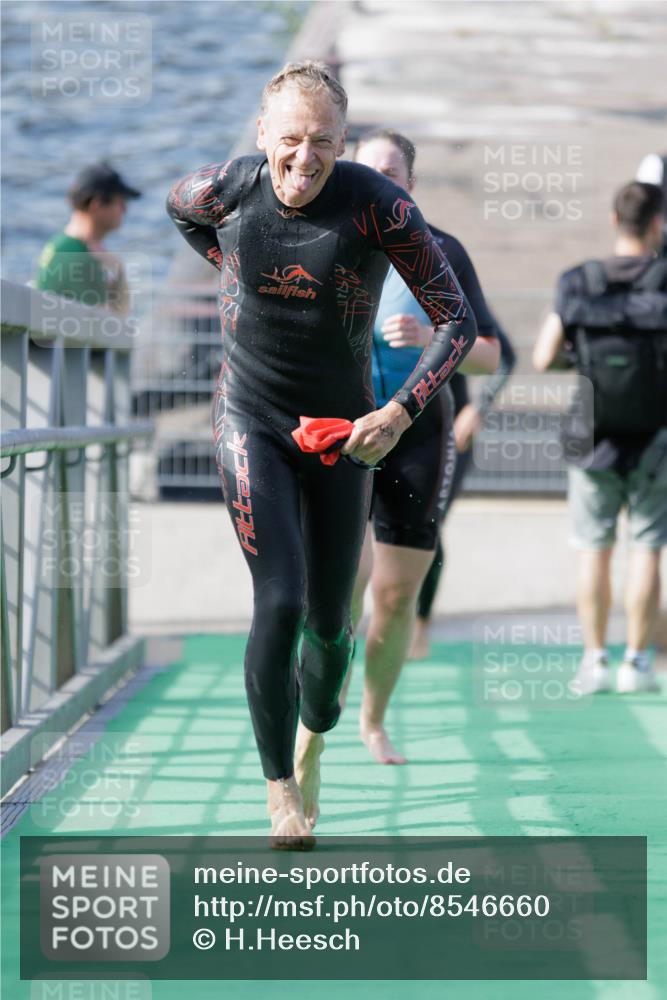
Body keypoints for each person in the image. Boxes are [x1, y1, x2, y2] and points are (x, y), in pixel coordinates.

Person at [166, 61, 478, 849]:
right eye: (292, 141)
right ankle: (278, 792)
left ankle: (316, 739)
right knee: (280, 600)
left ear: (343, 143)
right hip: (250, 417)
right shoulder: (225, 189)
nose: (306, 160)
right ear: (263, 133)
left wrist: (399, 411)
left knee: (332, 629)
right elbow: (181, 212)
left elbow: (456, 320)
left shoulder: (377, 206)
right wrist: (228, 265)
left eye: (325, 145)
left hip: (344, 431)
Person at [340, 128, 501, 764]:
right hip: (342, 434)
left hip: (417, 433)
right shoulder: (330, 243)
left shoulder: (443, 253)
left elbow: (488, 355)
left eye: (391, 174)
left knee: (396, 592)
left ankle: (373, 721)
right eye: (367, 172)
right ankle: (321, 697)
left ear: (410, 185)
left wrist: (439, 334)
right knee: (342, 584)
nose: (379, 183)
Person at [533, 180, 667, 695]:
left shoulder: (577, 280)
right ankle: (637, 663)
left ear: (615, 221)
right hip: (656, 438)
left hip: (590, 436)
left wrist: (583, 358)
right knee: (649, 548)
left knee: (594, 549)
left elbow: (544, 357)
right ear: (657, 223)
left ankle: (595, 662)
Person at [409, 309, 516, 661]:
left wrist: (479, 408)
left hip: (448, 431)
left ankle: (420, 625)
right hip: (389, 429)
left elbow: (506, 355)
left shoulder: (448, 291)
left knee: (428, 526)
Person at [35, 162, 141, 315]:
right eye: (121, 203)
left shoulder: (60, 244)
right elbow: (113, 326)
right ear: (96, 204)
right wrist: (119, 271)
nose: (125, 211)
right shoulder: (81, 257)